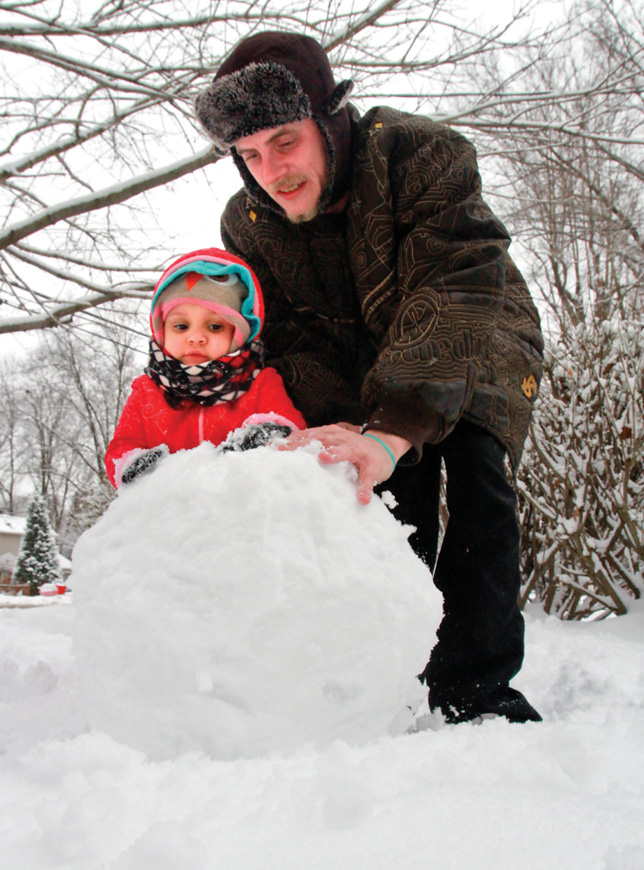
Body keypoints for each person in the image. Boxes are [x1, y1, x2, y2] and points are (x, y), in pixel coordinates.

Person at [195, 32, 545, 724]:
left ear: (330, 118)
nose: (273, 170)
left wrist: (395, 425)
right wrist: (352, 431)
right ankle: (390, 669)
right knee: (379, 493)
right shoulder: (248, 224)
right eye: (251, 154)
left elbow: (451, 284)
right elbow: (287, 336)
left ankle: (474, 691)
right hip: (361, 365)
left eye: (285, 142)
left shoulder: (420, 156)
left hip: (475, 329)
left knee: (475, 474)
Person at [105, 247, 306, 488]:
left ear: (238, 334)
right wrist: (133, 464)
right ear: (162, 331)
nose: (196, 337)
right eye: (181, 326)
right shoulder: (146, 393)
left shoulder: (259, 383)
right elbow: (121, 446)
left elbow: (285, 421)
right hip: (169, 511)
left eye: (214, 327)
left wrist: (266, 436)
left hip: (242, 501)